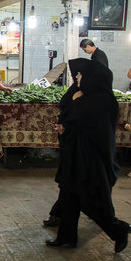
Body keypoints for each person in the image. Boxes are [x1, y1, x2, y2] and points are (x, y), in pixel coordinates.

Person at [47, 60, 131, 253]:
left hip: (90, 160)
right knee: (69, 198)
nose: (77, 77)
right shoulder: (87, 96)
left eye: (80, 75)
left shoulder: (102, 100)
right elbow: (69, 119)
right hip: (76, 156)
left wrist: (73, 111)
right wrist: (64, 126)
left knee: (89, 202)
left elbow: (87, 127)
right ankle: (66, 238)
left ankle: (119, 231)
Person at [43, 58, 90, 227]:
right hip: (71, 143)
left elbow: (83, 120)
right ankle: (60, 216)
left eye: (79, 74)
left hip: (81, 148)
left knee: (73, 186)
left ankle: (113, 224)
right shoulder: (77, 90)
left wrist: (67, 128)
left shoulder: (90, 95)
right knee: (69, 185)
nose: (76, 77)